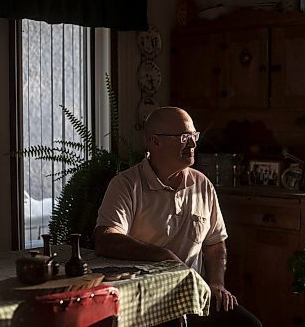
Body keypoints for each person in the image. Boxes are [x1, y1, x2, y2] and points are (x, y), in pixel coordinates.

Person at [95, 107, 262, 327]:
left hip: (195, 295)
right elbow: (106, 238)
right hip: (150, 300)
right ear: (155, 142)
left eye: (194, 136)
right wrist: (162, 255)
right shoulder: (126, 185)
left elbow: (215, 243)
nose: (192, 144)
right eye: (184, 137)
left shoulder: (202, 184)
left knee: (250, 325)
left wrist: (216, 284)